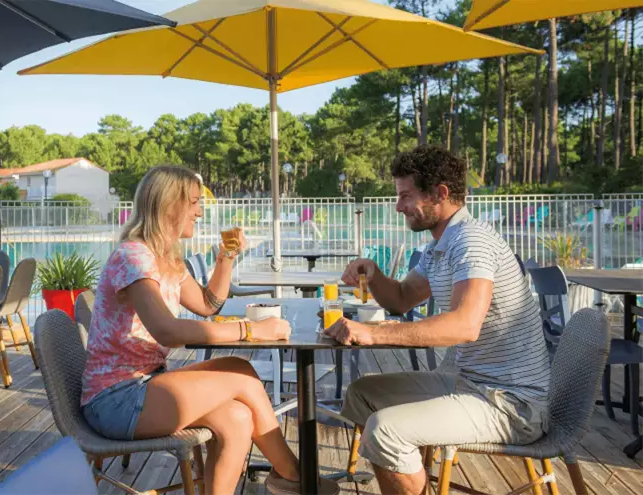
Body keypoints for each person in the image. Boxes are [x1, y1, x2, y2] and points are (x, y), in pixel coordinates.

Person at [81, 165, 339, 495]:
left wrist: (226, 258)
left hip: (148, 382)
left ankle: (285, 476)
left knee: (238, 414)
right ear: (168, 205)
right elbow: (168, 332)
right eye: (193, 202)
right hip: (115, 399)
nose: (200, 212)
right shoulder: (133, 257)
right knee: (242, 379)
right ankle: (294, 475)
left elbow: (207, 304)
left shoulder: (167, 260)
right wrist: (252, 331)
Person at [325, 146, 551, 495]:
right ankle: (414, 478)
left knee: (385, 430)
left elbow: (464, 326)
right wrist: (374, 272)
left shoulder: (471, 242)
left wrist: (375, 333)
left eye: (405, 196)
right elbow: (401, 298)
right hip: (466, 383)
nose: (398, 206)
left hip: (510, 404)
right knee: (362, 395)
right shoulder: (441, 245)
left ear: (441, 193)